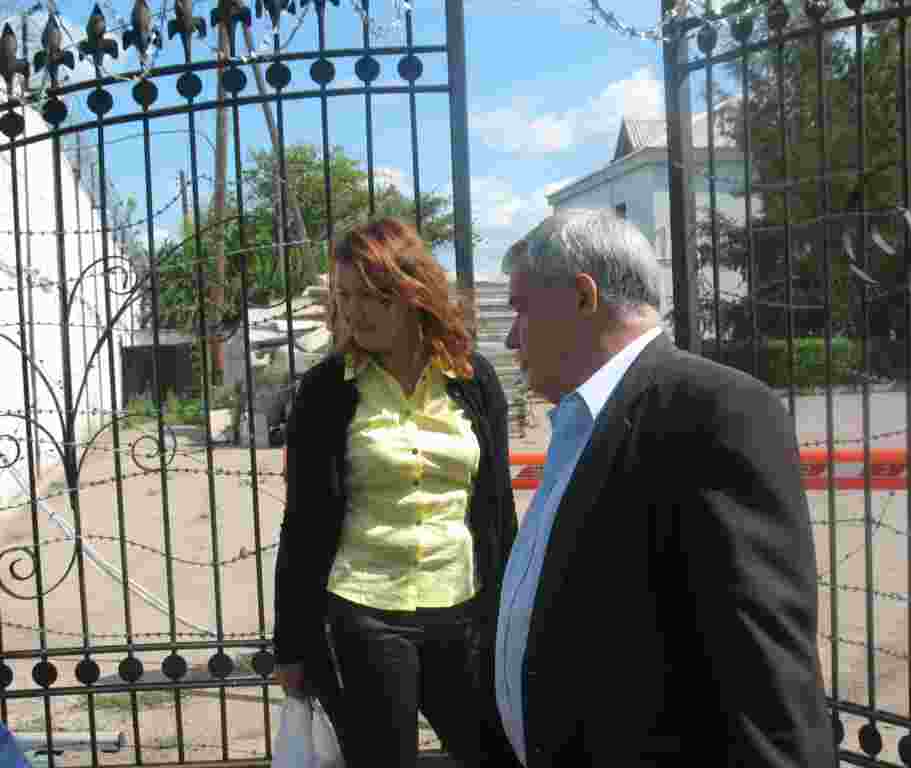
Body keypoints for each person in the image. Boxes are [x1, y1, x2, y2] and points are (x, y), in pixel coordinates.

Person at [494, 209, 836, 767]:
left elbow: (764, 666)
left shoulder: (715, 410)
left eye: (521, 308)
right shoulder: (579, 419)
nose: (511, 337)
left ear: (583, 297)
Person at [273, 217, 520, 768]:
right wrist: (291, 645)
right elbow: (304, 522)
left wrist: (511, 613)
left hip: (464, 609)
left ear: (413, 294)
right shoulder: (324, 393)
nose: (355, 311)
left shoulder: (474, 379)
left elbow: (498, 507)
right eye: (345, 296)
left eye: (372, 295)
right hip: (364, 613)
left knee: (498, 756)